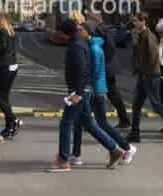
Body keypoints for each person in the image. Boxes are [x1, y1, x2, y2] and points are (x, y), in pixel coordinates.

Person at [48, 20, 126, 172]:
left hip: (80, 91)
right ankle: (114, 150)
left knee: (66, 123)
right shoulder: (80, 42)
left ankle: (64, 160)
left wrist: (77, 93)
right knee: (89, 124)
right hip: (84, 89)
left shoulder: (76, 46)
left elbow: (82, 70)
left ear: (65, 33)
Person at [72, 21, 135, 165]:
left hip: (95, 90)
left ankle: (126, 147)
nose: (78, 32)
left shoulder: (94, 49)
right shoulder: (94, 45)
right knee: (80, 122)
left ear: (89, 32)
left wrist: (86, 91)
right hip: (95, 89)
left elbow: (93, 73)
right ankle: (75, 154)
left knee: (101, 124)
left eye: (81, 30)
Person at [127, 14, 163, 143]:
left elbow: (153, 56)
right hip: (143, 74)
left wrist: (147, 73)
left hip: (150, 75)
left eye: (136, 21)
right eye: (133, 21)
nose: (134, 23)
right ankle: (135, 132)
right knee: (136, 104)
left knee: (156, 104)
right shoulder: (140, 36)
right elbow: (138, 54)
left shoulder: (148, 36)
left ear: (143, 21)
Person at [85, 10, 129, 129]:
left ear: (97, 19)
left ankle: (123, 120)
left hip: (106, 68)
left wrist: (101, 61)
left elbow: (110, 48)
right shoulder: (100, 29)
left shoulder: (102, 29)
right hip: (105, 67)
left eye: (89, 18)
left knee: (110, 94)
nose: (87, 21)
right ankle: (123, 120)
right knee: (103, 94)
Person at [0, 13, 20, 138]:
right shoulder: (10, 30)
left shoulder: (2, 31)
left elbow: (2, 46)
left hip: (5, 66)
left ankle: (14, 120)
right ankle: (9, 126)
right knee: (3, 96)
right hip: (11, 66)